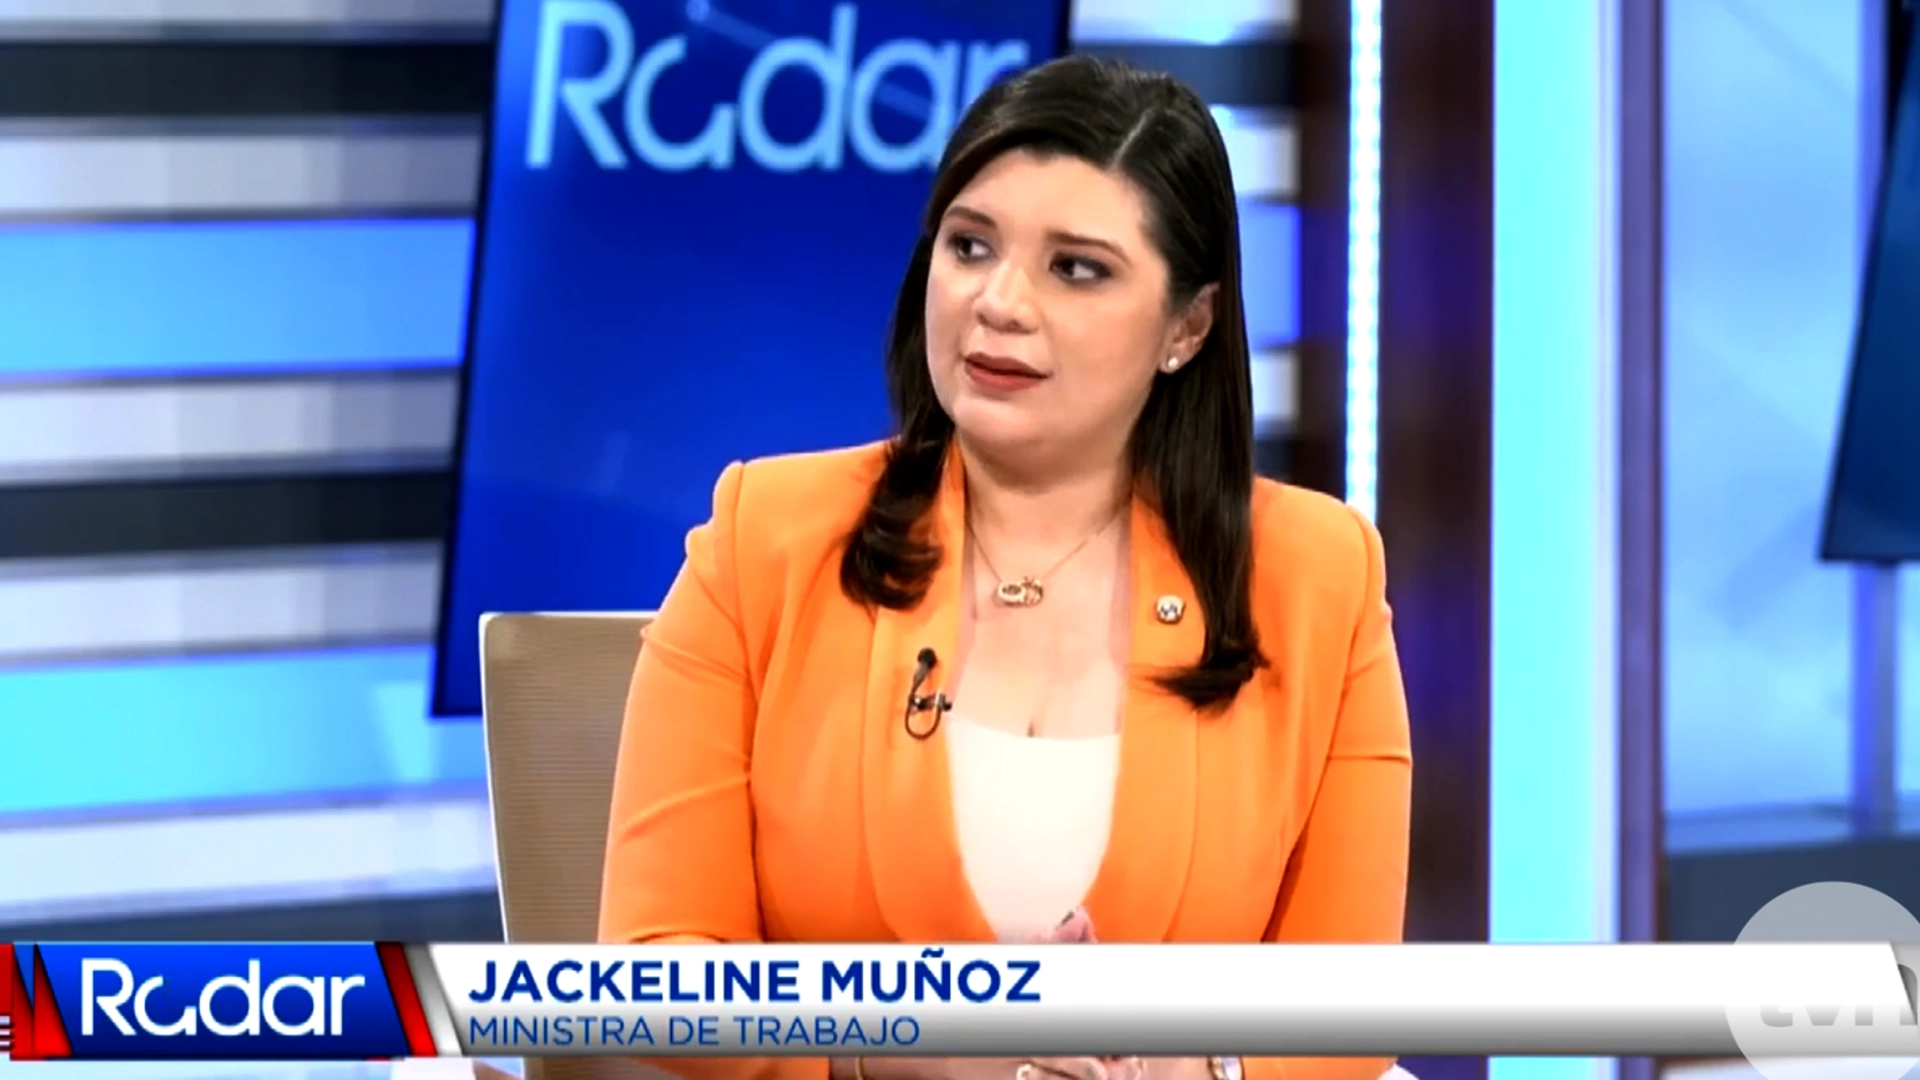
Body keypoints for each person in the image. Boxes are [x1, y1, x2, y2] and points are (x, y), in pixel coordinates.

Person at [599, 55, 1412, 1080]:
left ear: (1188, 325)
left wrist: (1198, 1069)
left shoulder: (1318, 576)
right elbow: (654, 973)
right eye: (971, 246)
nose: (999, 302)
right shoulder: (767, 537)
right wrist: (928, 1052)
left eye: (1077, 268)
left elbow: (1351, 1004)